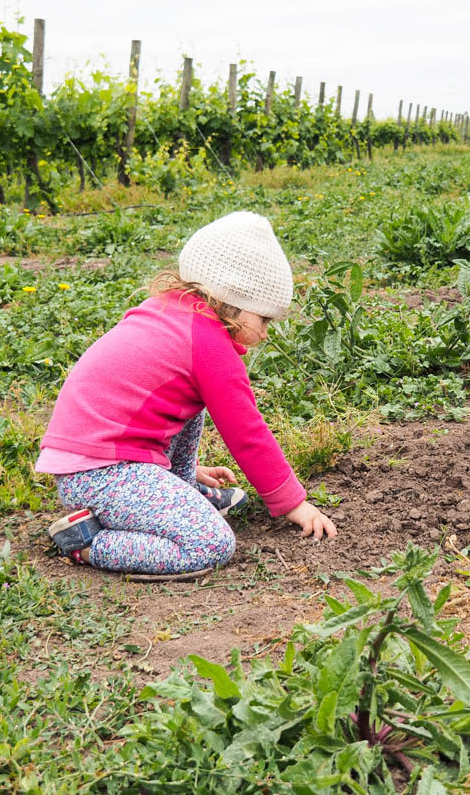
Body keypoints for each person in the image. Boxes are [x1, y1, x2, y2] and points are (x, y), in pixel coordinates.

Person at [38, 210, 337, 576]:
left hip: (94, 461)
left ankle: (176, 487)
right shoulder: (209, 347)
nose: (265, 334)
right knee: (210, 544)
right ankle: (88, 542)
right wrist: (294, 504)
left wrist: (180, 474)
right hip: (103, 473)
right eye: (264, 320)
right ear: (232, 302)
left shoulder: (169, 312)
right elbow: (247, 434)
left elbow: (149, 410)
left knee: (190, 400)